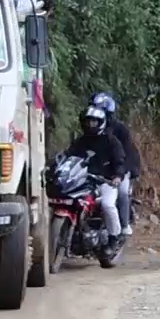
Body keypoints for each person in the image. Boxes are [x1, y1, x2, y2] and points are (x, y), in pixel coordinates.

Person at [64, 106, 128, 252]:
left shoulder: (111, 141)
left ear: (101, 123)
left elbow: (120, 161)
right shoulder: (80, 142)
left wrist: (117, 176)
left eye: (94, 122)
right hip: (83, 181)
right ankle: (73, 234)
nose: (90, 125)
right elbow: (69, 157)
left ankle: (114, 238)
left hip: (105, 182)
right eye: (87, 122)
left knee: (107, 205)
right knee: (69, 201)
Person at [88, 91, 141, 235]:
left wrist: (120, 173)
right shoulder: (91, 129)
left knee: (122, 192)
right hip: (102, 168)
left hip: (122, 166)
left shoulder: (120, 130)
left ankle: (124, 225)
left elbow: (127, 153)